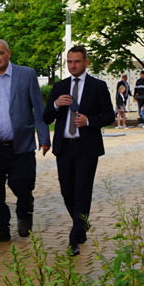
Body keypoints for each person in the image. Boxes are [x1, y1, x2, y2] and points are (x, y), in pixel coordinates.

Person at [0, 39, 49, 241]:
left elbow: (38, 108)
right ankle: (0, 228)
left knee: (21, 183)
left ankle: (25, 211)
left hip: (21, 143)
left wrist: (44, 137)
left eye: (0, 53)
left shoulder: (27, 74)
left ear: (9, 53)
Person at [43, 46, 115, 257]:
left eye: (76, 61)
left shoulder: (97, 86)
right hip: (64, 147)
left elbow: (109, 116)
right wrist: (56, 105)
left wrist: (89, 121)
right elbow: (46, 117)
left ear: (86, 62)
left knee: (82, 191)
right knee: (67, 191)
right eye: (69, 62)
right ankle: (81, 225)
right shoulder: (60, 86)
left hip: (86, 148)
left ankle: (74, 238)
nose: (72, 66)